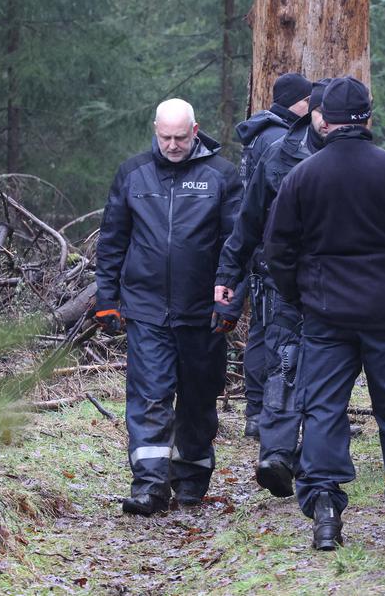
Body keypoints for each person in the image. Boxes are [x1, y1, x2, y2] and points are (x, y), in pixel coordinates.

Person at [263, 76, 385, 551]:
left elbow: (277, 251)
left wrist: (302, 297)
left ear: (323, 120)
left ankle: (325, 513)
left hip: (327, 316)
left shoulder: (303, 176)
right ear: (367, 117)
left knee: (323, 412)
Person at [93, 98, 243, 516]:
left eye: (180, 137)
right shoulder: (133, 173)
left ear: (195, 131)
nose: (173, 145)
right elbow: (112, 241)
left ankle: (192, 477)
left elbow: (237, 245)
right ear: (154, 130)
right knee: (150, 396)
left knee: (198, 396)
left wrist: (230, 300)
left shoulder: (222, 176)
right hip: (146, 308)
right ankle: (149, 484)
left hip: (202, 312)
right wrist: (107, 298)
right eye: (165, 137)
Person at [214, 80, 328, 498]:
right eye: (321, 113)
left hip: (343, 287)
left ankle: (315, 459)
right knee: (283, 361)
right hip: (284, 280)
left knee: (325, 373)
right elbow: (248, 221)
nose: (327, 123)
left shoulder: (364, 161)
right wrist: (229, 276)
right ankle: (276, 453)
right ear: (311, 112)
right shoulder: (279, 152)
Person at [235, 73, 312, 439]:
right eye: (308, 98)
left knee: (263, 327)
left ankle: (259, 409)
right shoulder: (277, 138)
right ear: (297, 101)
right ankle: (261, 410)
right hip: (271, 248)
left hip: (262, 246)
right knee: (270, 331)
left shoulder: (262, 132)